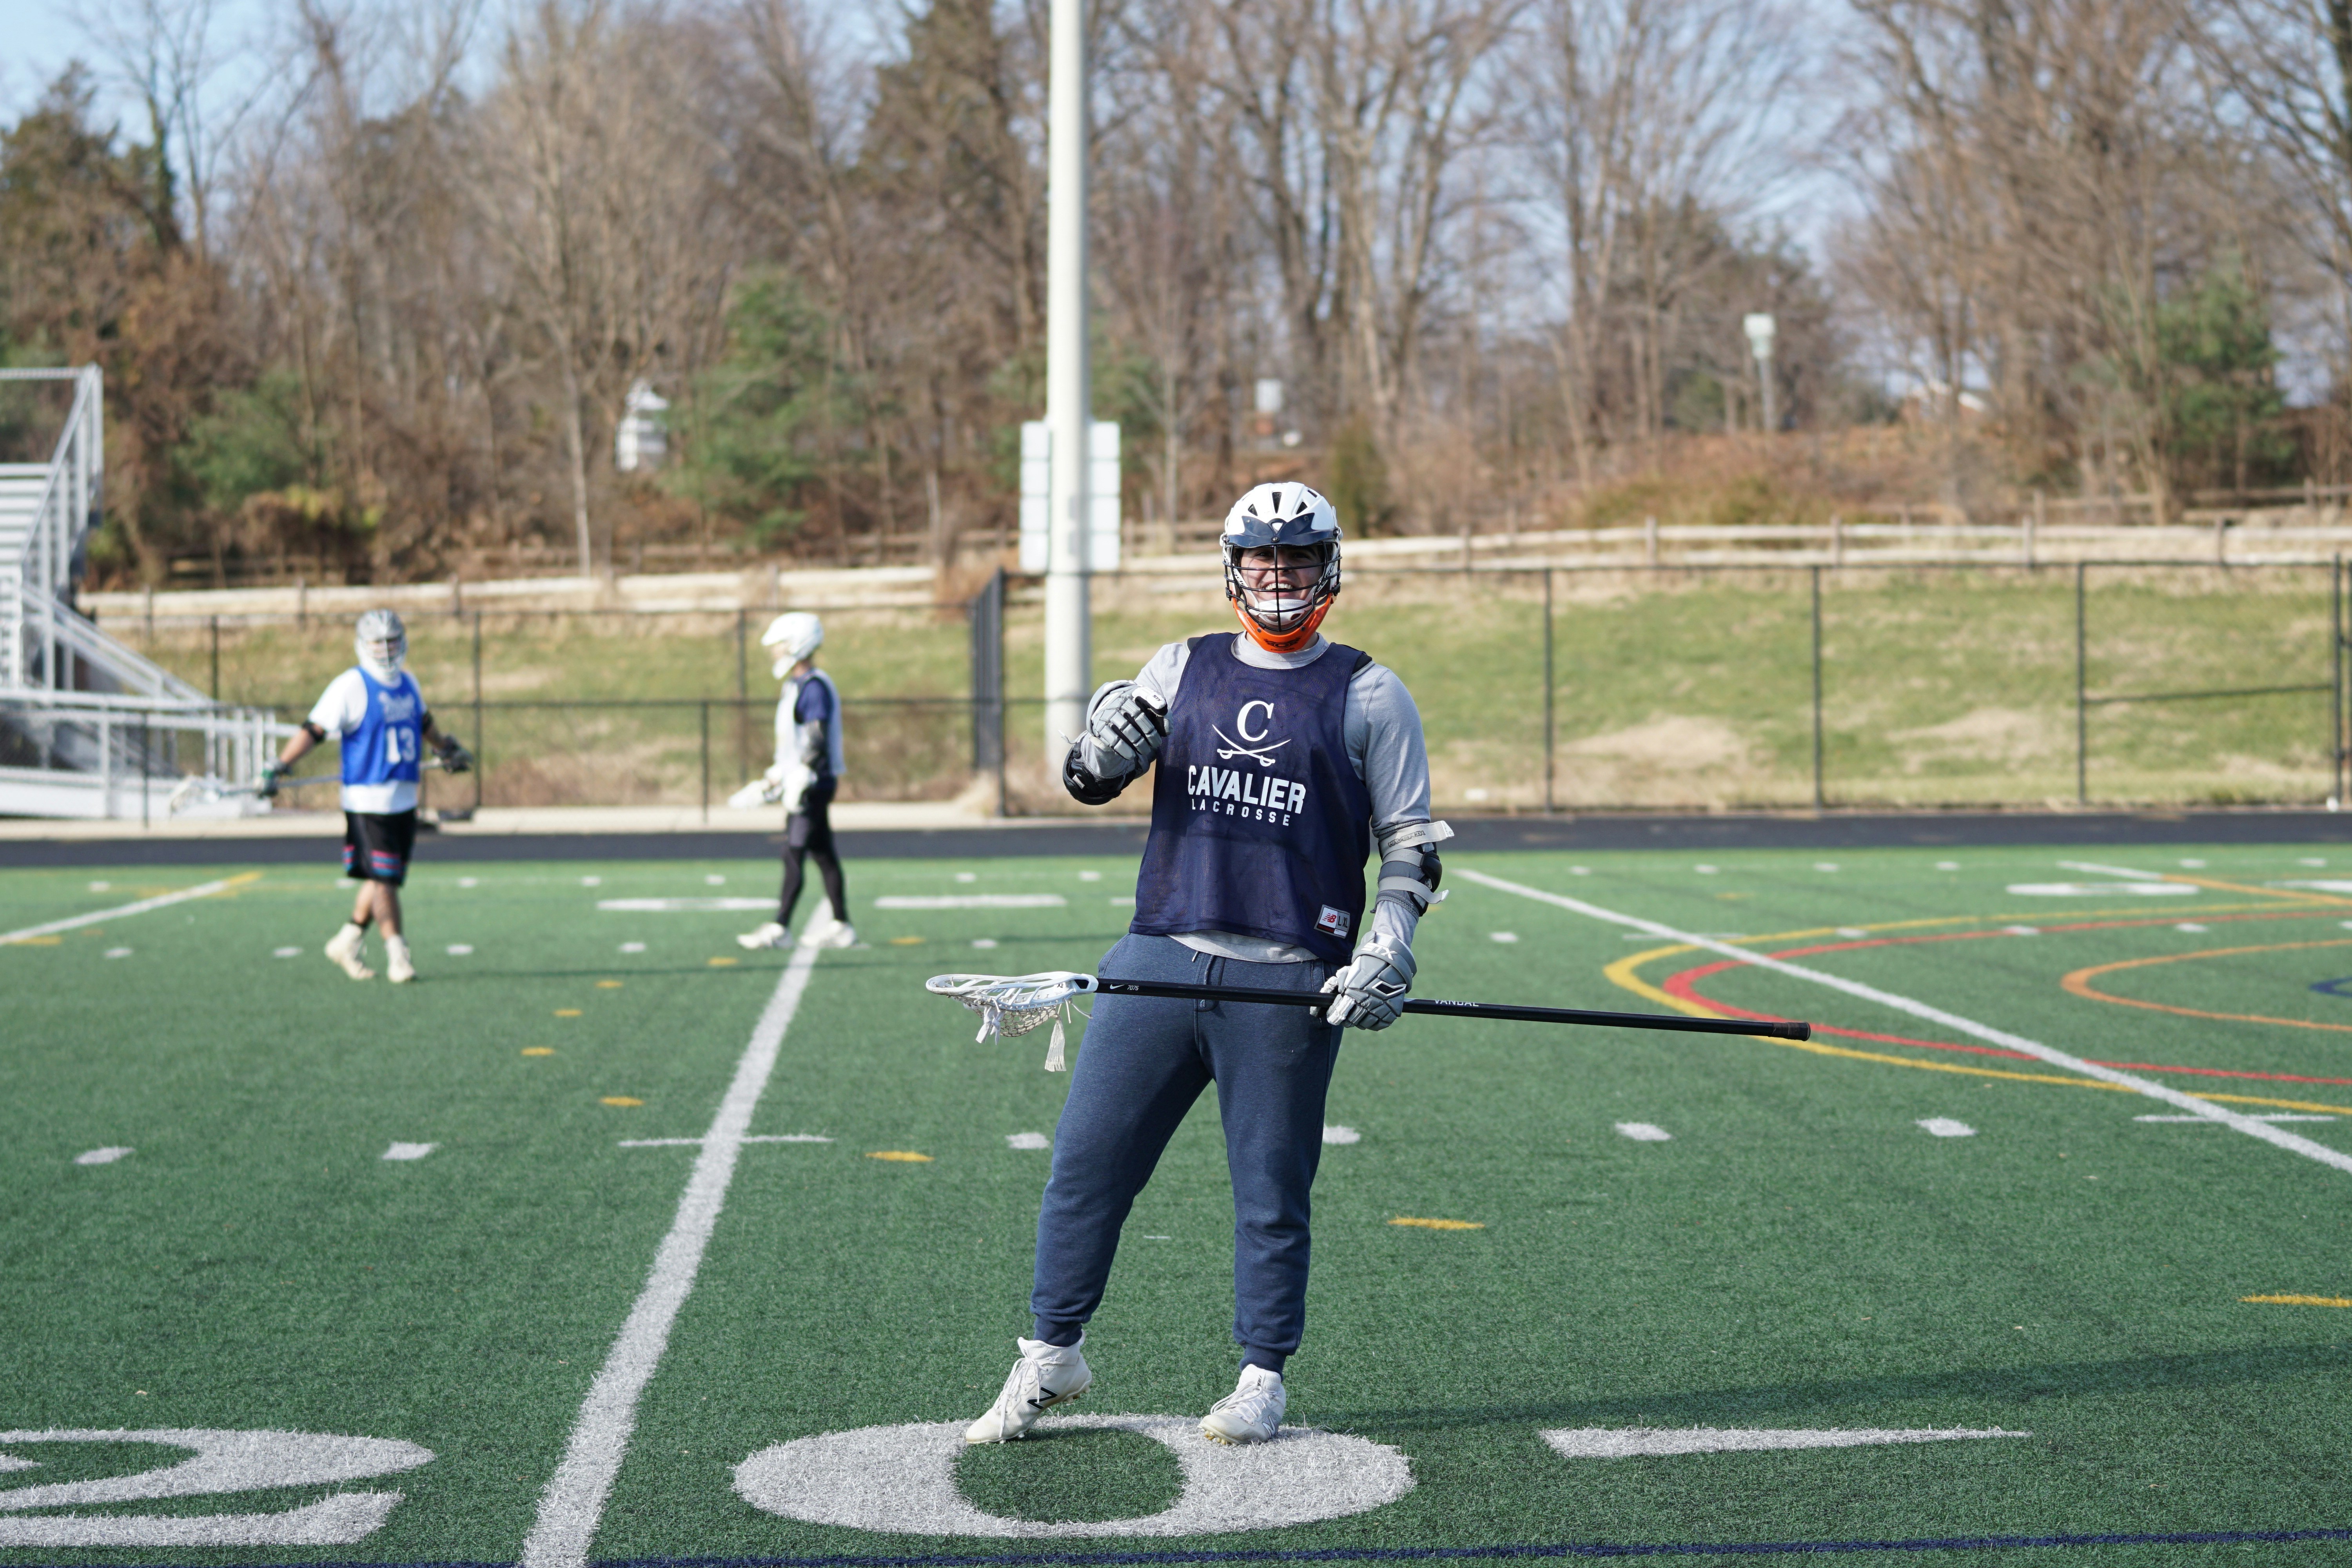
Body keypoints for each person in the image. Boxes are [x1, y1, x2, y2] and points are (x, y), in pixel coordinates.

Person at [964, 481, 1449, 1448]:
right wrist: (1097, 752)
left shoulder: (1369, 691)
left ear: (1329, 566)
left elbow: (1411, 845)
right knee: (1086, 1164)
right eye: (1264, 559)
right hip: (1161, 951)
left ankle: (1261, 1372)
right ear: (1235, 566)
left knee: (1271, 1188)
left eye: (1298, 559)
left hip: (1285, 974)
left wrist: (1386, 945)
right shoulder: (1182, 664)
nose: (1280, 577)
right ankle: (1053, 1350)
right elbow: (1088, 779)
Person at [265, 609, 471, 984]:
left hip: (404, 798)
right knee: (385, 880)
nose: (386, 650)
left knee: (382, 878)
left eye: (392, 641)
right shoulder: (351, 685)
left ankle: (348, 938)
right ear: (363, 645)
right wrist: (279, 765)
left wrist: (446, 750)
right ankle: (398, 954)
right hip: (368, 801)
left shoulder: (409, 683)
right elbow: (315, 729)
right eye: (378, 643)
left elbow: (424, 724)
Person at [737, 611, 856, 951]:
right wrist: (770, 781)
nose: (775, 651)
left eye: (780, 645)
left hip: (813, 785)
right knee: (823, 854)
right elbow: (793, 747)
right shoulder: (796, 685)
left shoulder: (813, 686)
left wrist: (800, 778)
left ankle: (780, 927)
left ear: (797, 643)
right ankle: (842, 925)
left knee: (794, 850)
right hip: (806, 780)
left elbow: (814, 740)